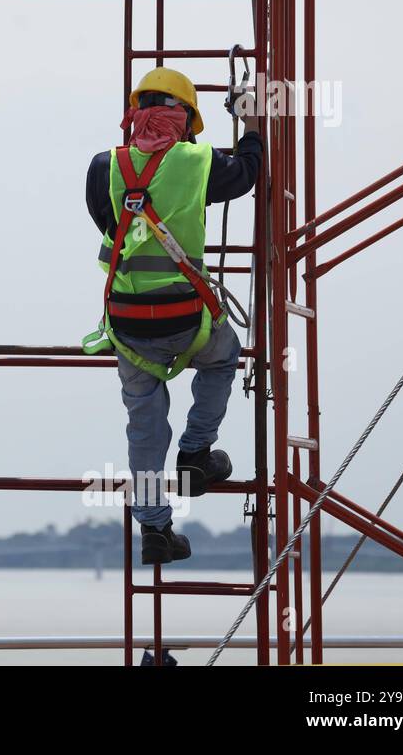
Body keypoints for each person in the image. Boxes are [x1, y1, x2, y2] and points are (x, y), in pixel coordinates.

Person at [84, 67, 262, 565]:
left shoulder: (105, 165)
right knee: (222, 358)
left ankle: (155, 531)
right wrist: (250, 126)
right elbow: (247, 174)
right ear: (185, 119)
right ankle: (195, 455)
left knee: (143, 425)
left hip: (127, 324)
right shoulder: (197, 161)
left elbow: (107, 219)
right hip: (188, 316)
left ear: (133, 115)